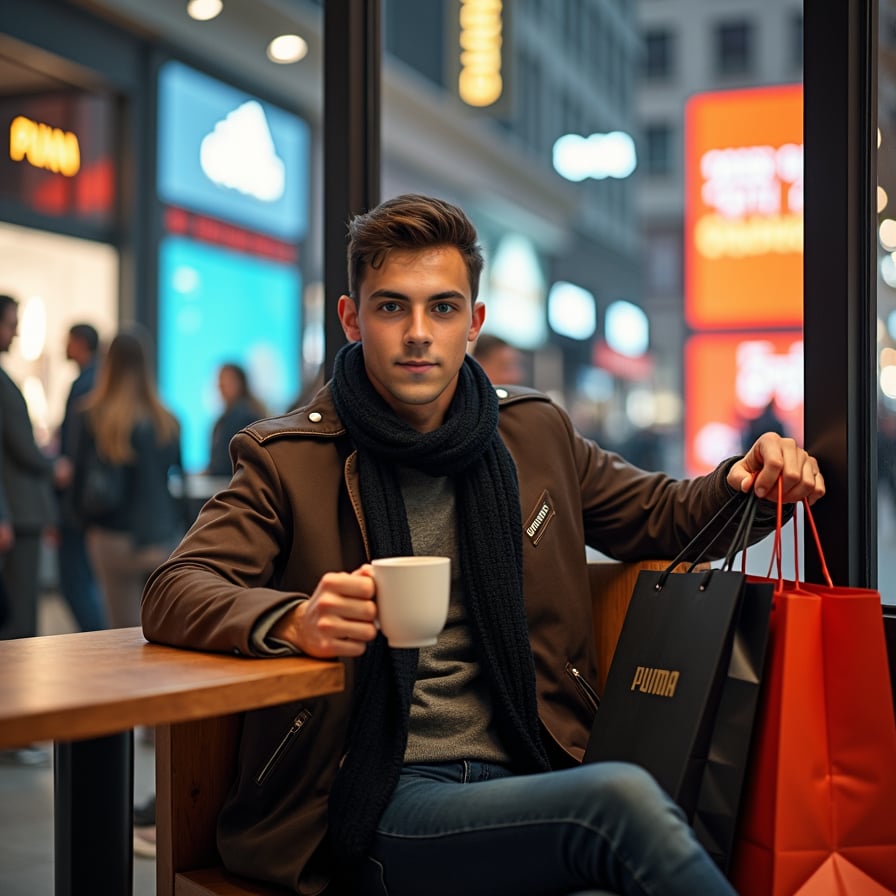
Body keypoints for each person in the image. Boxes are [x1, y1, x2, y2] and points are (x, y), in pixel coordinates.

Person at [142, 194, 825, 896]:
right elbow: (176, 588)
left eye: (441, 308)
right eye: (390, 308)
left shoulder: (533, 433)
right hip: (373, 797)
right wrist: (294, 621)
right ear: (351, 319)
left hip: (535, 764)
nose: (417, 333)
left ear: (474, 323)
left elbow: (661, 515)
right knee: (619, 806)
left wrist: (747, 481)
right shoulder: (290, 456)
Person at [70, 325, 185, 630]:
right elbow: (176, 479)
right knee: (162, 631)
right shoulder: (168, 420)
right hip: (160, 538)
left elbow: (79, 478)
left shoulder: (93, 415)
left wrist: (77, 522)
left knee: (123, 634)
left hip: (112, 537)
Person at [0, 293, 60, 767]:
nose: (17, 333)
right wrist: (53, 464)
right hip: (16, 517)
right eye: (11, 324)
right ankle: (15, 732)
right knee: (20, 626)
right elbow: (19, 450)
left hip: (17, 515)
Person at [53, 323, 106, 631]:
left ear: (80, 343)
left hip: (80, 500)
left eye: (67, 341)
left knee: (75, 580)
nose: (64, 347)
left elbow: (76, 451)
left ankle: (97, 645)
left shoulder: (87, 384)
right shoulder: (96, 380)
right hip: (90, 499)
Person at [206, 362, 267, 477]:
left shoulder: (242, 416)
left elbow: (225, 462)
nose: (220, 386)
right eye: (220, 382)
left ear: (239, 383)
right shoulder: (228, 417)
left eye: (225, 381)